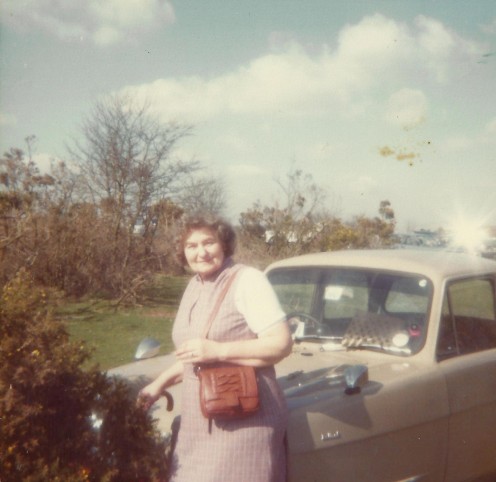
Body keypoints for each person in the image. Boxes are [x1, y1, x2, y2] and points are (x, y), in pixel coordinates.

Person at [139, 216, 293, 482]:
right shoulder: (194, 286)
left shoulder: (248, 280)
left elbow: (281, 343)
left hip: (245, 417)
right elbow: (194, 355)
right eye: (191, 245)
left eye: (208, 242)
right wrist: (159, 384)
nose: (201, 252)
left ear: (224, 244)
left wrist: (218, 351)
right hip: (198, 421)